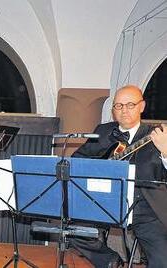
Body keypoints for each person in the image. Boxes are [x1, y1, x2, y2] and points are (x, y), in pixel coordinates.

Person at [69, 85, 167, 267]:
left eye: (130, 104)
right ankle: (111, 262)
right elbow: (77, 161)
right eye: (119, 106)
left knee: (163, 259)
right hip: (106, 202)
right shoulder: (104, 131)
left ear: (142, 106)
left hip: (145, 208)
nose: (124, 111)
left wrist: (166, 152)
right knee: (72, 230)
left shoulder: (159, 134)